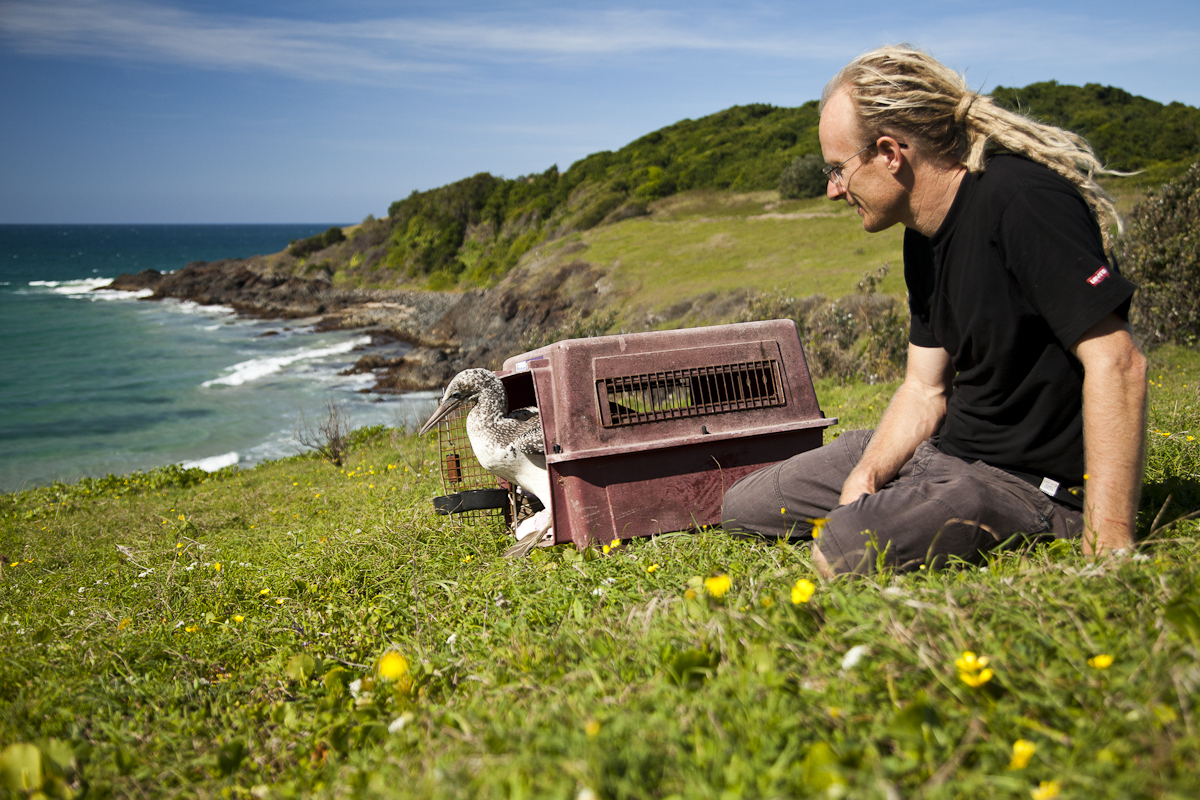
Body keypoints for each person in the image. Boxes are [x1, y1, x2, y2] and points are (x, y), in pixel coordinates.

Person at [721, 45, 1148, 576]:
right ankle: (894, 495)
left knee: (845, 548)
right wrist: (869, 474)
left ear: (889, 153)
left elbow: (1119, 363)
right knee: (743, 507)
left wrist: (1109, 544)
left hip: (1021, 484)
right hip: (940, 455)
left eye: (838, 169)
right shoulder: (922, 235)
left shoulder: (1022, 200)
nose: (833, 191)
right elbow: (924, 389)